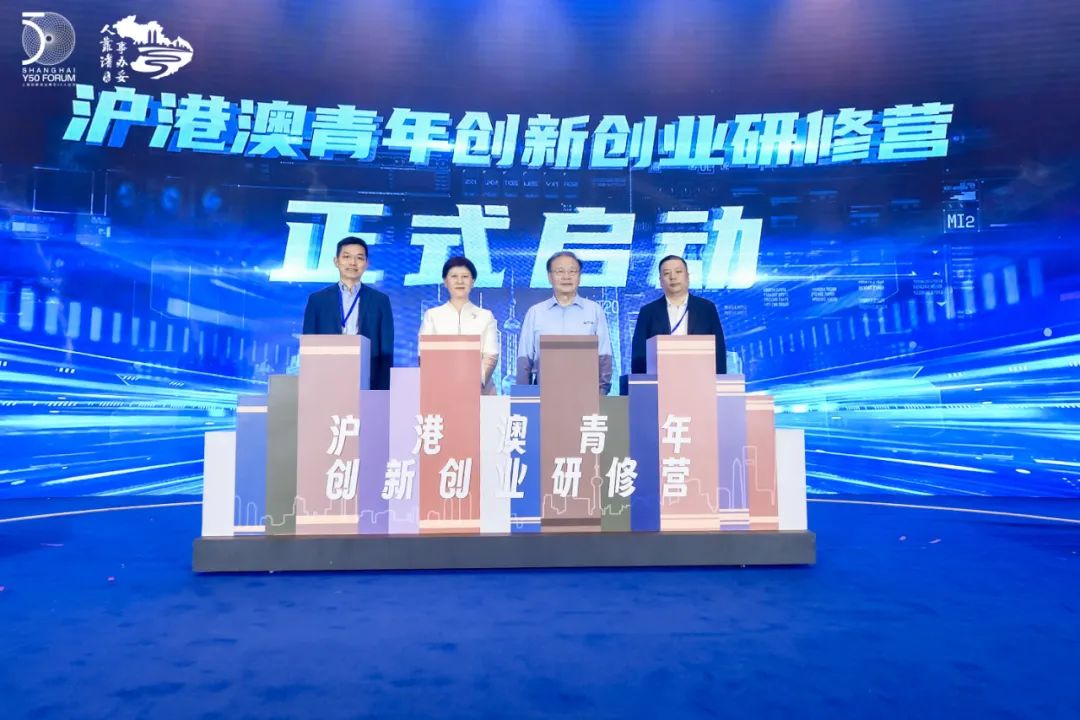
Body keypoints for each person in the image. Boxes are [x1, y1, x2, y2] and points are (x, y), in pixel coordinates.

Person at [302, 237, 394, 390]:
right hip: (327, 377)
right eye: (346, 257)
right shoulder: (317, 300)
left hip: (367, 377)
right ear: (336, 261)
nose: (353, 263)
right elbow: (309, 345)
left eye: (359, 258)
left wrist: (383, 390)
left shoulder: (380, 301)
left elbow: (386, 349)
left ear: (366, 263)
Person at [516, 251, 613, 395]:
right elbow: (525, 358)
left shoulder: (594, 310)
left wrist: (602, 391)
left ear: (579, 276)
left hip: (586, 392)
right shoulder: (535, 312)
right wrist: (524, 396)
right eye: (560, 271)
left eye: (572, 271)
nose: (566, 277)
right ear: (550, 277)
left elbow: (604, 354)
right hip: (544, 391)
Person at [631, 254, 727, 375]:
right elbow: (639, 354)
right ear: (660, 281)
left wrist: (718, 381)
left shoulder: (706, 308)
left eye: (678, 272)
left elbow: (718, 350)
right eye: (666, 273)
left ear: (688, 277)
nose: (673, 277)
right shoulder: (648, 312)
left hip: (700, 379)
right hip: (660, 381)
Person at [419, 256, 500, 395]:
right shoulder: (432, 315)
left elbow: (491, 355)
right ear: (445, 282)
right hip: (441, 392)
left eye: (465, 277)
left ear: (472, 282)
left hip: (480, 393)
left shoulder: (486, 316)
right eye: (454, 276)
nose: (460, 281)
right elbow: (424, 355)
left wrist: (474, 384)